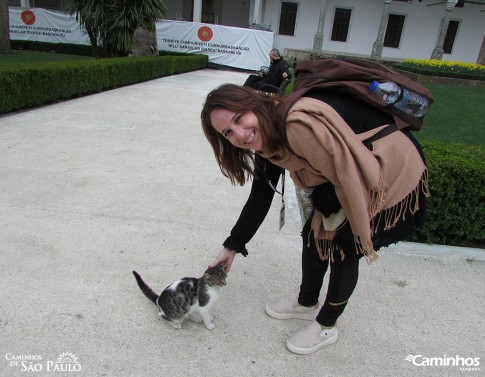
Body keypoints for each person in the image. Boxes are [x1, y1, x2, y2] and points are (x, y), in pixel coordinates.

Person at [200, 84, 429, 355]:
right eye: (228, 132)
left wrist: (343, 216)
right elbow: (261, 195)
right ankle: (306, 303)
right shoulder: (268, 134)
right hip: (351, 170)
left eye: (239, 118)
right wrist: (232, 246)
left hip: (387, 164)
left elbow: (345, 176)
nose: (239, 134)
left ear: (255, 105)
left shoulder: (296, 125)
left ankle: (326, 326)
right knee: (314, 234)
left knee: (345, 245)